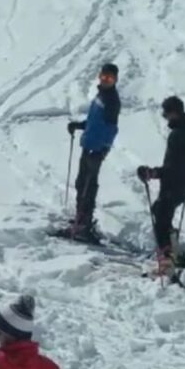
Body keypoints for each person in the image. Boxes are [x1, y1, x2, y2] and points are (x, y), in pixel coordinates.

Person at [137, 97, 185, 261]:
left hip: (176, 183)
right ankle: (173, 250)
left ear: (175, 113)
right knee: (161, 211)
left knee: (161, 215)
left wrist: (152, 173)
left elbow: (172, 168)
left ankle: (168, 257)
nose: (165, 117)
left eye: (167, 114)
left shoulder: (178, 135)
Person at [66, 63, 121, 242]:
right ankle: (81, 218)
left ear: (115, 80)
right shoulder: (101, 96)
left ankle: (84, 223)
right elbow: (94, 121)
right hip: (88, 144)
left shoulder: (112, 101)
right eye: (103, 77)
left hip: (96, 149)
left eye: (110, 78)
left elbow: (112, 129)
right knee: (81, 183)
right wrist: (79, 125)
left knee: (89, 185)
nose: (106, 81)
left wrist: (103, 149)